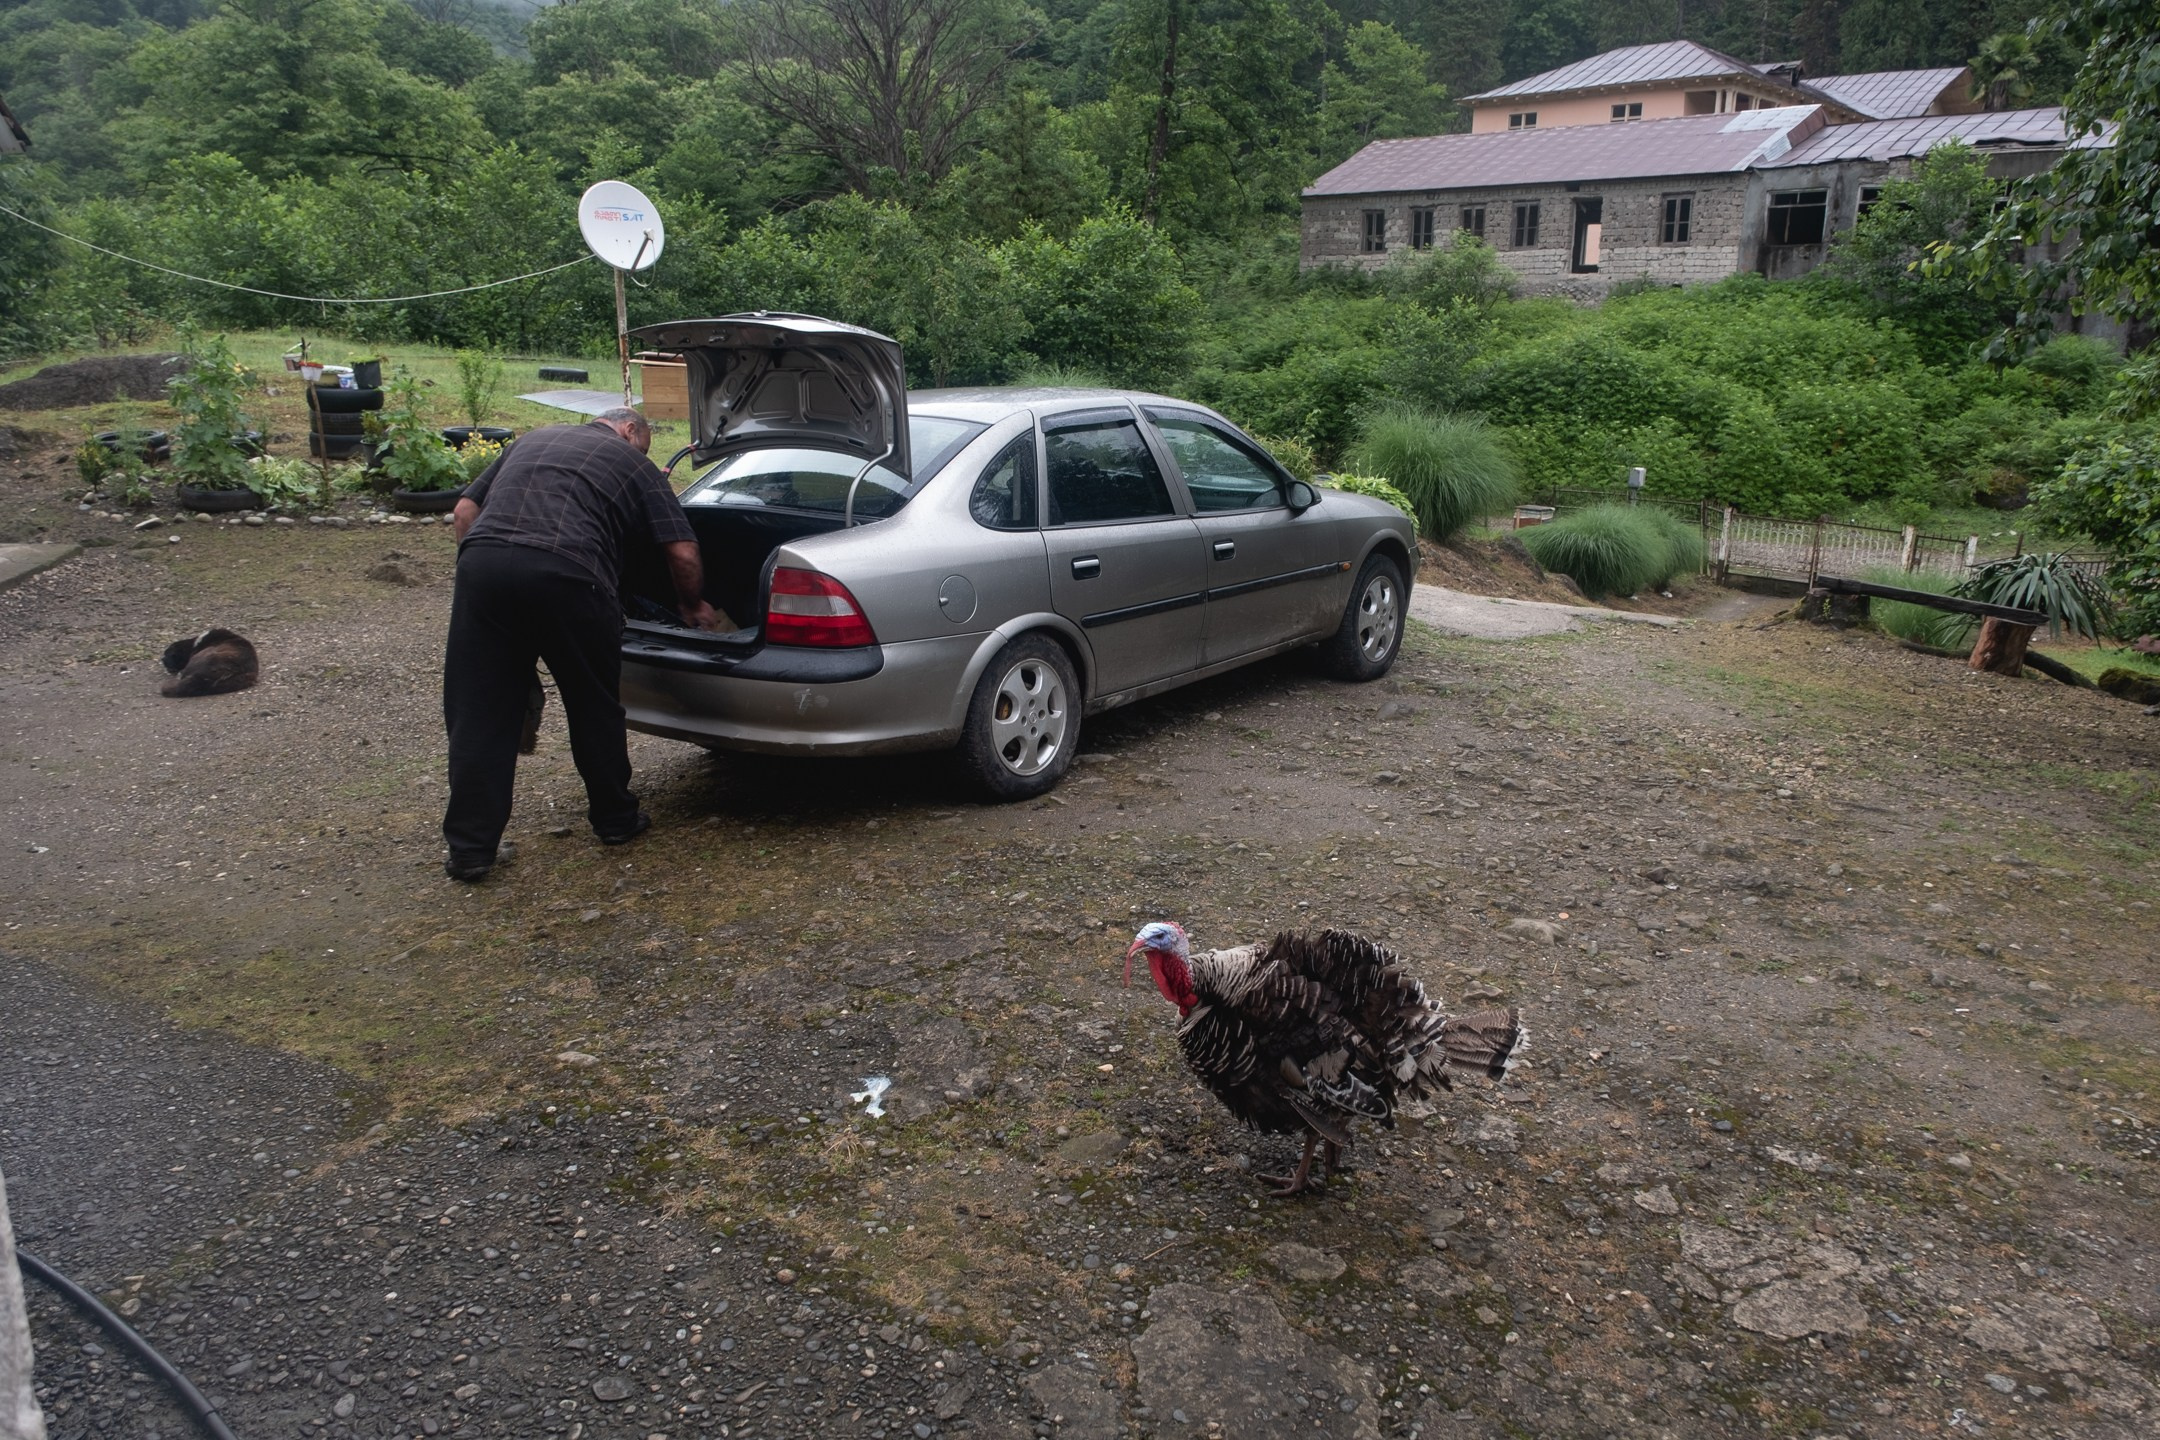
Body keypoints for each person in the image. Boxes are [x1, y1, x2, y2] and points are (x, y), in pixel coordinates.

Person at [442, 407, 716, 882]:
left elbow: (465, 512)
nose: (642, 452)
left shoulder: (533, 439)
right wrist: (692, 605)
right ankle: (615, 820)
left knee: (480, 711)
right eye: (644, 444)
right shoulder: (634, 464)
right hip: (571, 575)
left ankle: (470, 850)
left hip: (483, 566)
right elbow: (682, 550)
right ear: (630, 430)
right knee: (592, 703)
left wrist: (488, 574)